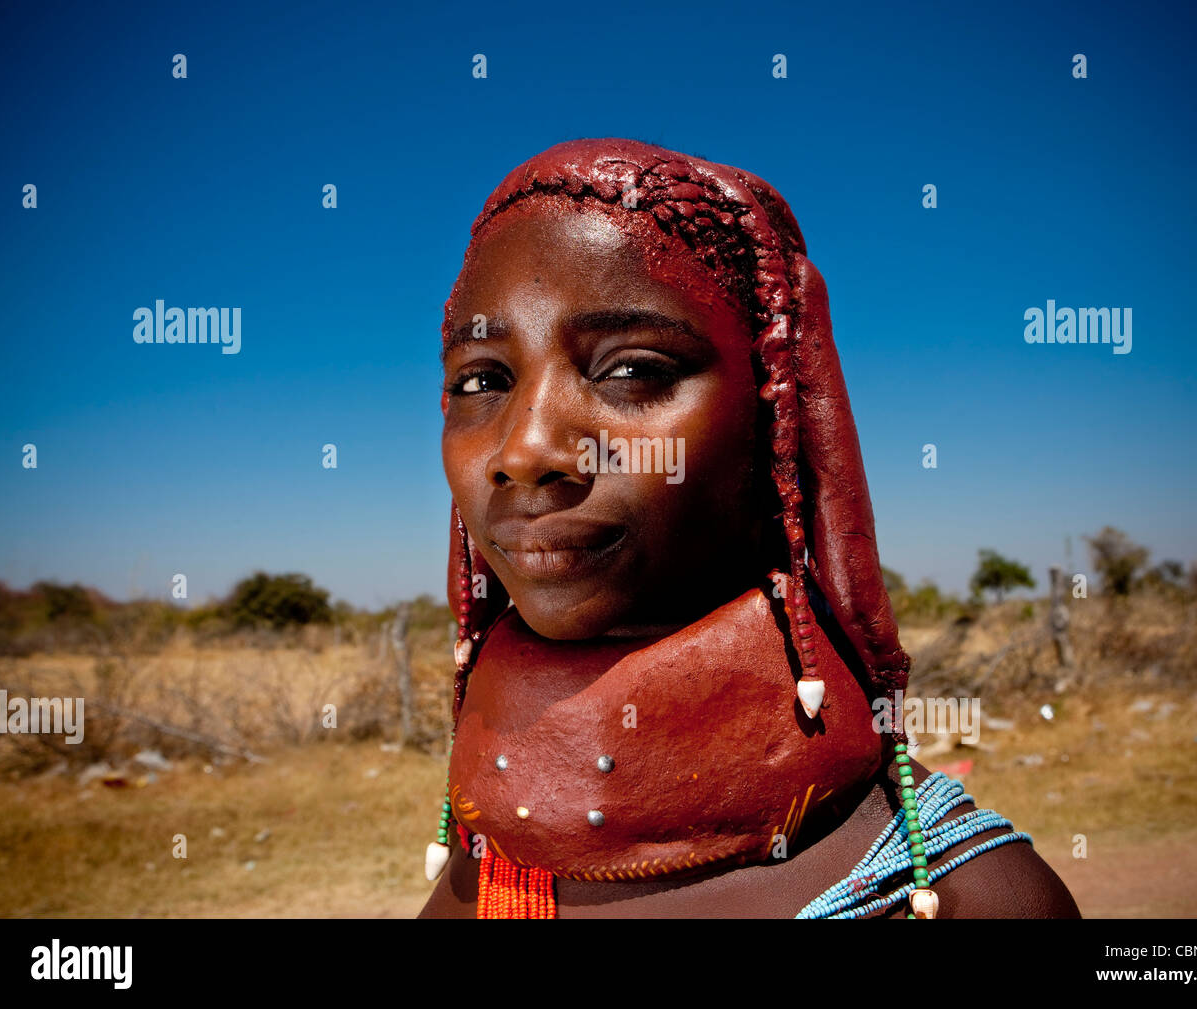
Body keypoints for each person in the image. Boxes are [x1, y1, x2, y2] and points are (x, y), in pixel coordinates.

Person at [418, 138, 1079, 918]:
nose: (525, 450)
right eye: (483, 380)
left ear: (777, 423)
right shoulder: (490, 854)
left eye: (632, 369)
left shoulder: (972, 900)